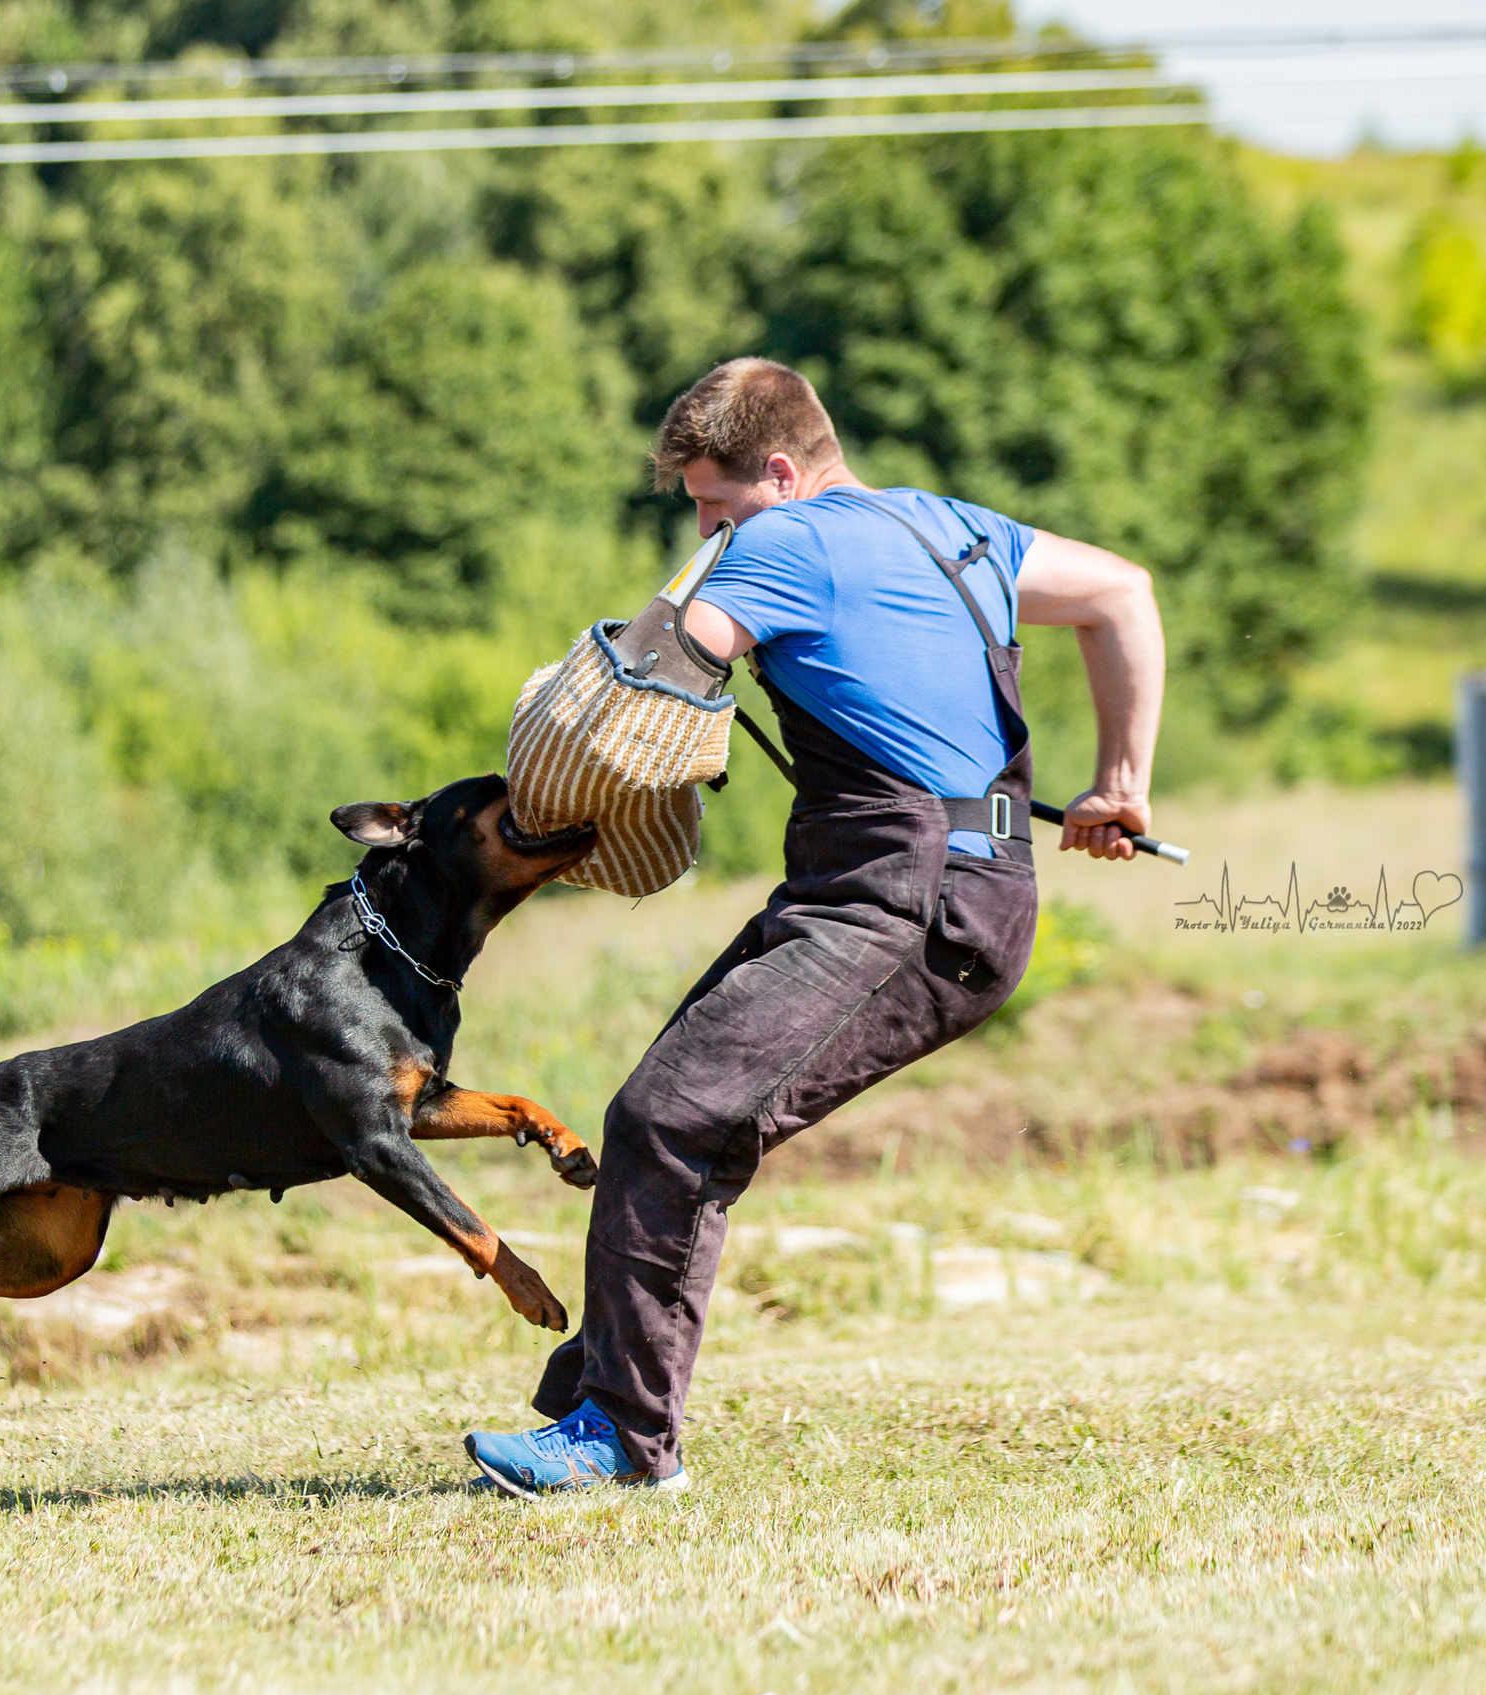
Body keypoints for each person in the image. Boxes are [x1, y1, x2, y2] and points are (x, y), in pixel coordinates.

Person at [464, 358, 1166, 1497]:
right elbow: (1122, 591)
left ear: (781, 472)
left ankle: (623, 1443)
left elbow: (663, 664)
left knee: (671, 1117)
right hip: (941, 885)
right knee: (675, 1104)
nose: (704, 529)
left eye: (714, 504)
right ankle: (604, 1382)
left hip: (904, 896)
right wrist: (1119, 782)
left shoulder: (779, 544)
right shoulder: (952, 529)